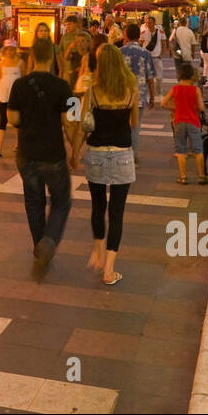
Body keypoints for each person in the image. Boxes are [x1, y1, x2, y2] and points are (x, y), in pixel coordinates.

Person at [7, 38, 76, 279]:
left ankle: (40, 246)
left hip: (27, 154)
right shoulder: (63, 85)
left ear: (33, 57)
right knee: (61, 201)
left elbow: (13, 119)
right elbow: (71, 121)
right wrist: (75, 150)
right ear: (54, 57)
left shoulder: (19, 84)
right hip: (53, 154)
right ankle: (49, 241)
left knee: (34, 202)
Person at [74, 43, 138, 286]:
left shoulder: (94, 90)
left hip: (97, 153)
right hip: (122, 153)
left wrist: (75, 151)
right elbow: (133, 122)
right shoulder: (131, 88)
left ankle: (99, 251)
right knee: (117, 211)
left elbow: (83, 122)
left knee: (97, 206)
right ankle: (109, 270)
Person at [160, 63, 208, 185]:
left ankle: (183, 177)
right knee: (198, 149)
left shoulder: (175, 89)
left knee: (181, 150)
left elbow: (162, 103)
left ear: (180, 75)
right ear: (192, 75)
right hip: (193, 121)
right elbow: (202, 108)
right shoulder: (196, 90)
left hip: (179, 122)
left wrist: (173, 109)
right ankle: (202, 176)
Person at [120, 23, 155, 152]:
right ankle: (133, 156)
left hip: (121, 96)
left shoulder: (119, 52)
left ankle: (122, 151)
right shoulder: (146, 54)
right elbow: (150, 79)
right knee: (135, 126)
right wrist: (152, 97)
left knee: (122, 125)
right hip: (139, 97)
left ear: (126, 35)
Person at [0, 40, 23, 158]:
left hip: (16, 95)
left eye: (12, 49)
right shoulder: (1, 63)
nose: (10, 51)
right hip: (3, 94)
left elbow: (24, 79)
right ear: (5, 50)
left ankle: (18, 143)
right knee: (3, 120)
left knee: (16, 120)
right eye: (8, 49)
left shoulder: (20, 63)